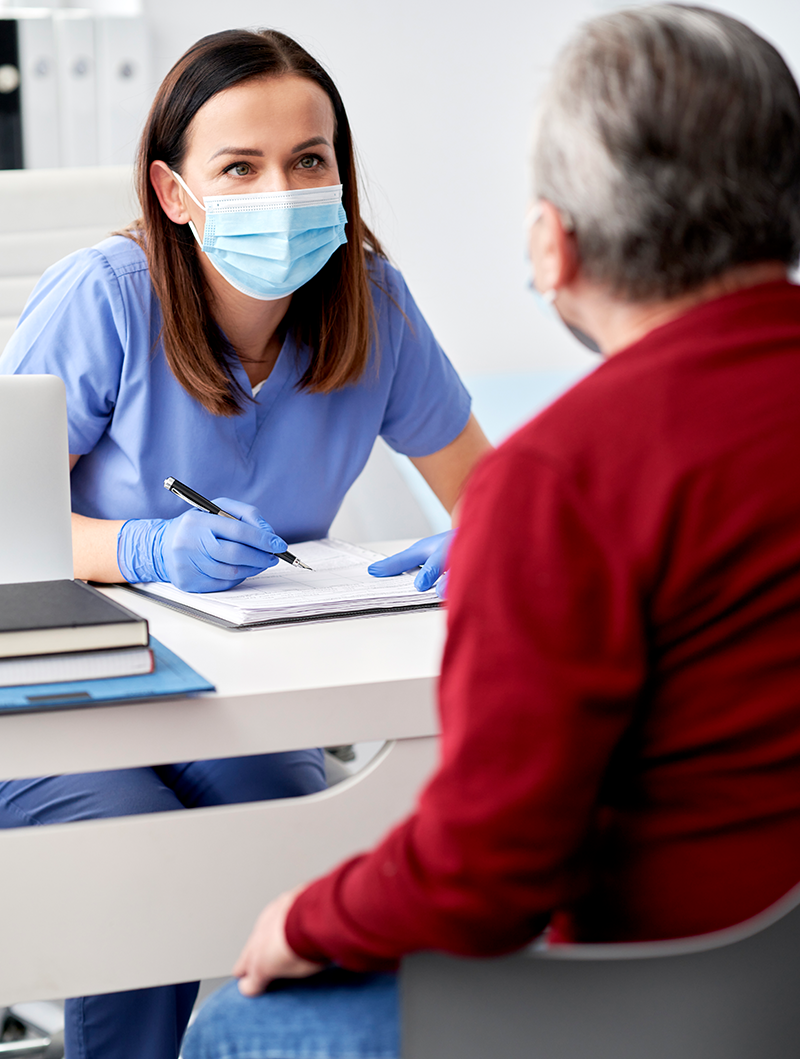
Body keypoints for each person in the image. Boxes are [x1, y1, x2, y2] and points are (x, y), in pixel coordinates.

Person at [180, 6, 800, 1057]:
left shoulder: (564, 474)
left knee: (242, 1025)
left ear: (551, 244)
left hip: (676, 1002)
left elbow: (482, 879)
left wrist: (307, 917)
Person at [0, 27, 491, 1059]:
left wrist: (491, 538)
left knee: (296, 846)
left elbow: (484, 488)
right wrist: (144, 549)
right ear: (174, 192)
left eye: (307, 160)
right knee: (128, 859)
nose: (282, 190)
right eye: (239, 166)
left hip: (247, 699)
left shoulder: (373, 307)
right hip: (71, 702)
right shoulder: (105, 299)